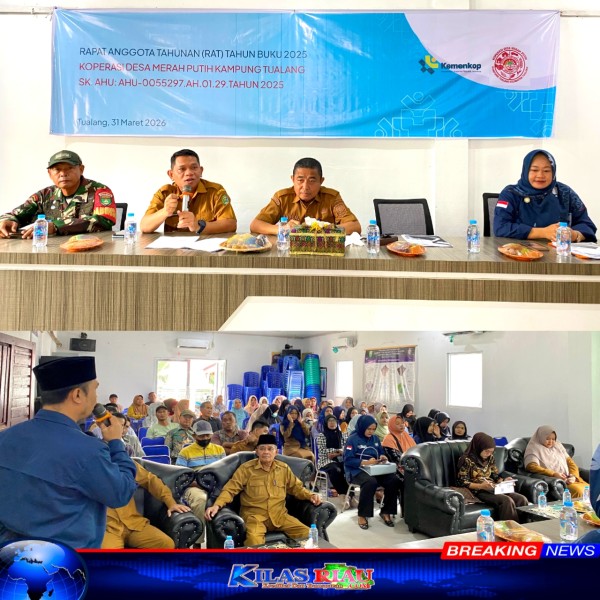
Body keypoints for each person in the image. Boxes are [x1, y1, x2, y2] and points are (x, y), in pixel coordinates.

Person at [0, 356, 137, 548]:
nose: (96, 398)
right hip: (66, 559)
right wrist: (116, 442)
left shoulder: (6, 438)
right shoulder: (88, 450)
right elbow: (120, 493)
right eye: (95, 389)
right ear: (78, 395)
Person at [204, 434, 322, 546]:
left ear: (276, 452)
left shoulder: (283, 469)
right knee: (254, 541)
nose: (266, 452)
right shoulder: (246, 469)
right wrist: (217, 505)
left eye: (270, 449)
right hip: (255, 517)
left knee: (309, 535)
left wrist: (311, 496)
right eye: (262, 449)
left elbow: (296, 488)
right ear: (257, 451)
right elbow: (230, 490)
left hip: (280, 515)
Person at [0, 150, 116, 239]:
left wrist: (56, 226)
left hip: (90, 249)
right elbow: (16, 214)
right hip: (50, 250)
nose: (63, 174)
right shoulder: (44, 195)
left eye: (69, 168)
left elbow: (103, 220)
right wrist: (8, 221)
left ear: (81, 169)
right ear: (50, 173)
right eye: (57, 169)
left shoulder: (100, 191)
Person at [494, 149, 597, 242]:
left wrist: (575, 235)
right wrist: (543, 232)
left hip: (559, 252)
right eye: (534, 170)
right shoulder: (511, 193)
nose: (540, 175)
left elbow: (586, 224)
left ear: (553, 172)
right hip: (519, 252)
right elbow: (501, 227)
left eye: (547, 171)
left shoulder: (565, 193)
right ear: (526, 171)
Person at [249, 157, 361, 235]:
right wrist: (282, 229)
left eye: (312, 180)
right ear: (292, 179)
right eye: (300, 180)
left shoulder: (331, 197)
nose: (305, 186)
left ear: (321, 181)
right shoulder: (282, 198)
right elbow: (255, 225)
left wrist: (324, 229)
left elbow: (355, 226)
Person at [140, 148, 236, 234]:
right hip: (173, 247)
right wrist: (165, 211)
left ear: (201, 171)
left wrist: (199, 226)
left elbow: (231, 224)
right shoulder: (165, 193)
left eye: (194, 167)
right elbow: (144, 226)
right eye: (182, 169)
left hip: (205, 245)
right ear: (171, 174)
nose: (189, 173)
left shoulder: (215, 191)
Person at [102, 462, 191, 549]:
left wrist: (171, 503)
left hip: (134, 523)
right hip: (107, 528)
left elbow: (150, 480)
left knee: (166, 544)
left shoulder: (123, 461)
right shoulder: (94, 467)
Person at [343, 415, 400, 530]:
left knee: (393, 479)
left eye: (373, 429)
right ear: (362, 427)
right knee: (370, 482)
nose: (371, 432)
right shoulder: (352, 439)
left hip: (374, 469)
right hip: (356, 471)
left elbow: (380, 452)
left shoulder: (375, 439)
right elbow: (348, 460)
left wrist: (382, 457)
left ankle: (386, 511)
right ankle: (363, 515)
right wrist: (365, 462)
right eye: (368, 429)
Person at [456, 432, 528, 521]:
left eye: (491, 451)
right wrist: (481, 486)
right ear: (479, 447)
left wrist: (504, 481)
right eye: (487, 451)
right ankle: (510, 528)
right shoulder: (466, 460)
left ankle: (524, 526)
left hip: (492, 487)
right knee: (506, 501)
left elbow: (494, 475)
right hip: (477, 491)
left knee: (522, 499)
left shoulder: (490, 458)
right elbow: (461, 481)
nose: (489, 454)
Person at [176, 420, 226, 542]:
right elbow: (181, 476)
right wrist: (198, 484)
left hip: (216, 485)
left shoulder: (219, 450)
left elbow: (225, 471)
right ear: (194, 436)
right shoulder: (185, 452)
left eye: (207, 435)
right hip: (194, 486)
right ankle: (197, 541)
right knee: (201, 499)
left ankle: (219, 541)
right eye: (201, 436)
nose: (205, 438)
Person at [523, 426, 588, 498]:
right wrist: (554, 474)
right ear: (541, 437)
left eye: (553, 439)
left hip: (570, 478)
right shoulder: (534, 448)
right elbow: (531, 466)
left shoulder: (557, 445)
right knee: (578, 491)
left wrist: (574, 476)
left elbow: (571, 463)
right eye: (547, 439)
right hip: (558, 481)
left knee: (589, 489)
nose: (551, 441)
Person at [316, 414, 349, 498]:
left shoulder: (341, 434)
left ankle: (349, 494)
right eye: (329, 421)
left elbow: (346, 447)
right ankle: (343, 493)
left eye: (334, 421)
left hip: (341, 458)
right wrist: (338, 450)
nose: (332, 423)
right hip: (326, 460)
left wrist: (338, 452)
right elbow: (322, 450)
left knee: (347, 467)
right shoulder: (322, 435)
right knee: (335, 470)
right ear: (326, 423)